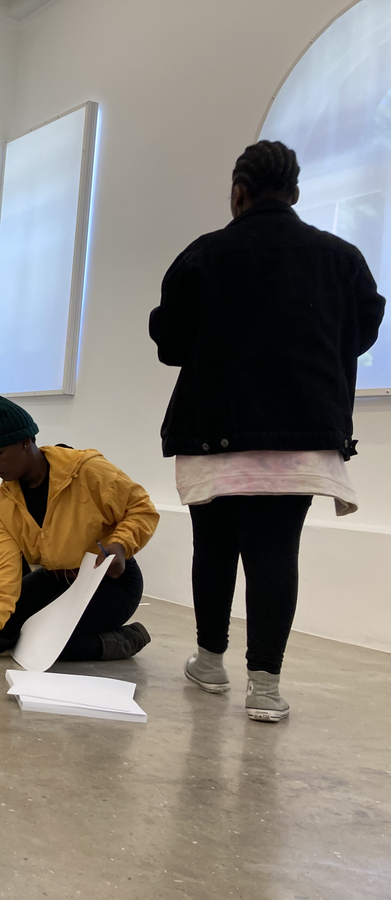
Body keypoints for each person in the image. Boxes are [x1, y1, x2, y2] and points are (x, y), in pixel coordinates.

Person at [150, 140, 385, 723]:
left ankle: (209, 661)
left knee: (215, 549)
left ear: (238, 192)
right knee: (276, 556)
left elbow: (170, 344)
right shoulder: (342, 257)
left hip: (214, 432)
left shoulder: (205, 255)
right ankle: (266, 687)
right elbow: (361, 332)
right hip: (301, 433)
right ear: (297, 193)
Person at [0, 396, 158, 662]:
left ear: (25, 442)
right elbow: (4, 567)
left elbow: (141, 508)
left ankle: (125, 639)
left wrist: (121, 545)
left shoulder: (87, 470)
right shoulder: (0, 506)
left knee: (48, 645)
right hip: (54, 580)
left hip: (108, 581)